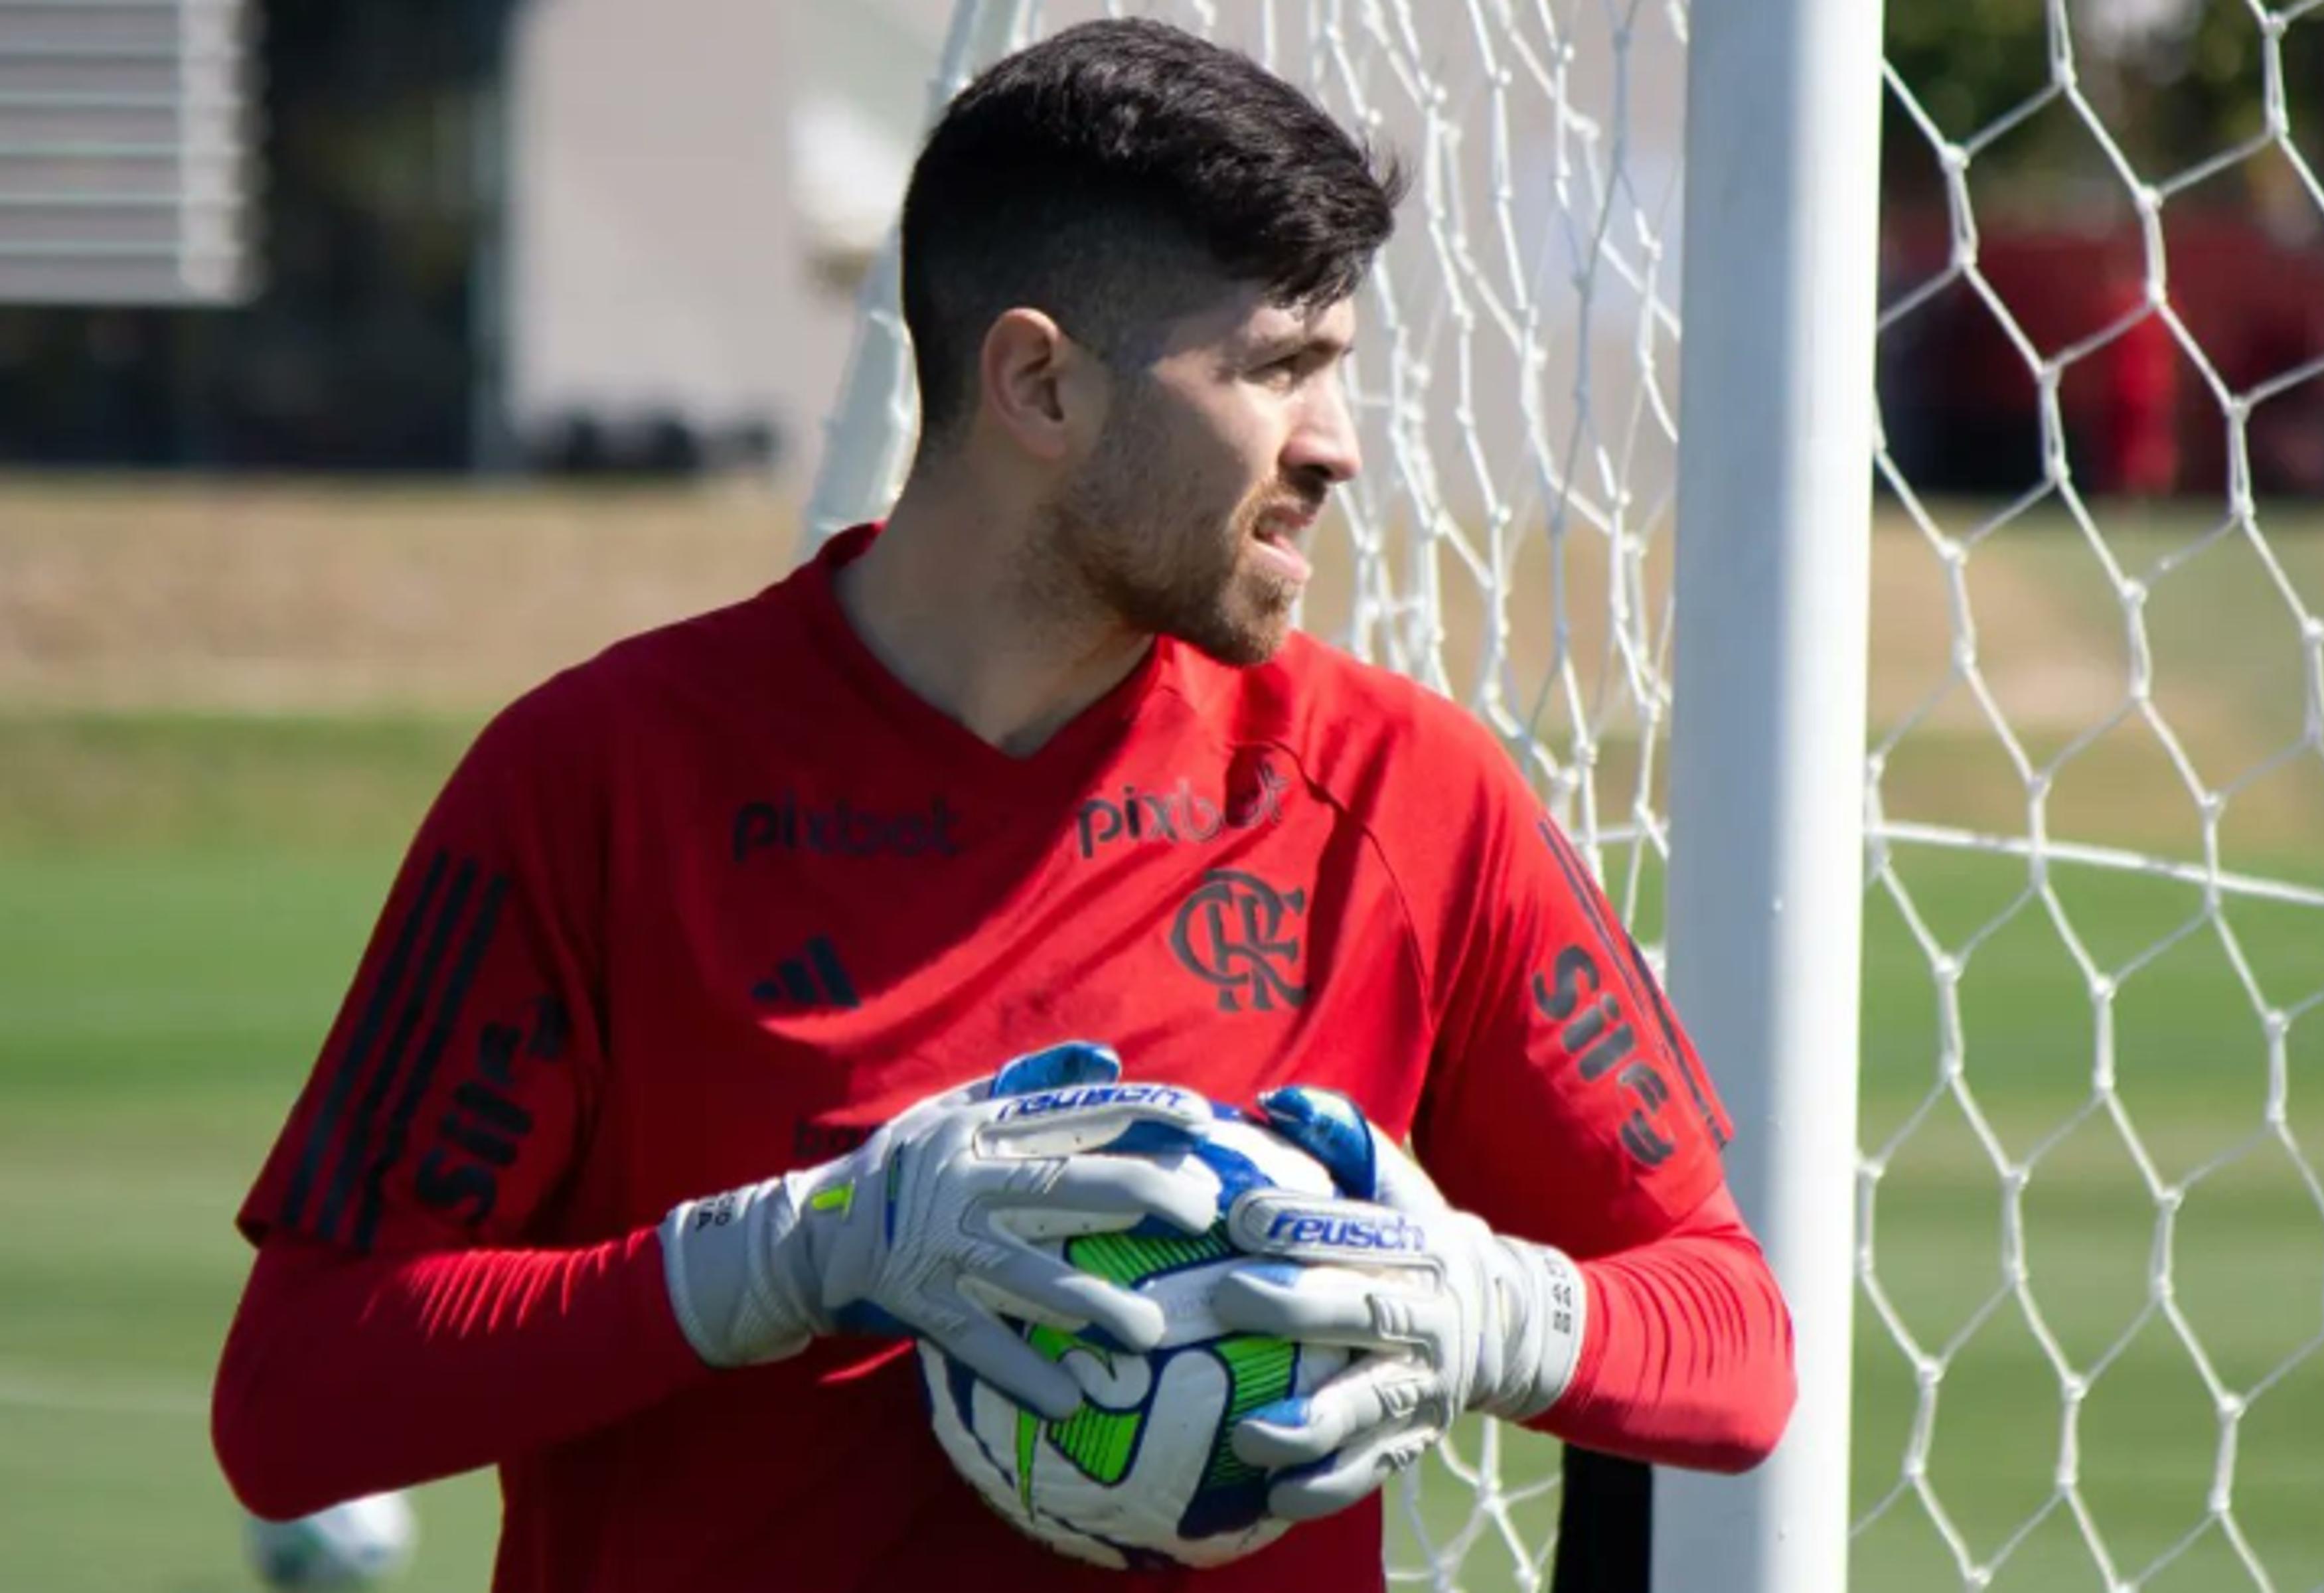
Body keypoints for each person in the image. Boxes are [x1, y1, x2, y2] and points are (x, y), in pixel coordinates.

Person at [212, 19, 1794, 1591]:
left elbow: (1734, 1344)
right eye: (1279, 369)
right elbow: (296, 1406)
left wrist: (1492, 1310)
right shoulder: (596, 785)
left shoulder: (1404, 793)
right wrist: (790, 1256)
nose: (1342, 447)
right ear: (1038, 382)